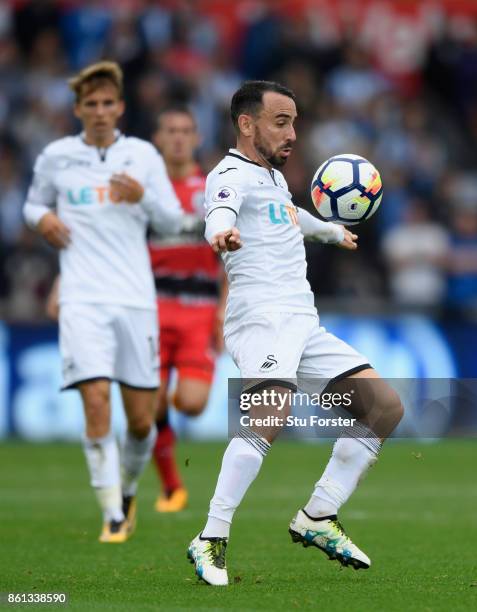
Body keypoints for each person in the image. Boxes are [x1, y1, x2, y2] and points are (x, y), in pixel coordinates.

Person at [187, 81, 404, 585]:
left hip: (302, 321)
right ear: (247, 124)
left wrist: (330, 231)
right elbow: (218, 210)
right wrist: (219, 232)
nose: (292, 134)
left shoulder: (274, 181)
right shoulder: (229, 175)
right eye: (281, 122)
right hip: (260, 317)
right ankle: (211, 536)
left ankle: (318, 515)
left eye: (294, 123)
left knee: (384, 407)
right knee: (270, 412)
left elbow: (288, 218)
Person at [23, 61, 183, 543]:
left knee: (140, 421)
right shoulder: (56, 156)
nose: (99, 111)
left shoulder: (142, 157)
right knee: (95, 400)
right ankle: (112, 512)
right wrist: (41, 221)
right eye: (90, 104)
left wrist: (143, 199)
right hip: (81, 299)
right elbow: (33, 202)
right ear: (77, 109)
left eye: (107, 103)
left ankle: (130, 489)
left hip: (135, 300)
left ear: (120, 108)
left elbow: (173, 221)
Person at [148, 106, 226, 512]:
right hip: (152, 308)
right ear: (158, 138)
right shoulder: (145, 192)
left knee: (192, 405)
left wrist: (223, 311)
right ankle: (172, 487)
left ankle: (163, 399)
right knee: (149, 406)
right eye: (170, 130)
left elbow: (230, 256)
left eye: (185, 131)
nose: (178, 138)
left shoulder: (212, 191)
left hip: (199, 309)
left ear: (196, 139)